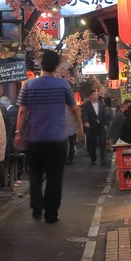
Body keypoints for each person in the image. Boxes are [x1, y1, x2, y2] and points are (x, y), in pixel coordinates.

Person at [15, 50, 84, 223]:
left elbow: (22, 111)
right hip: (57, 139)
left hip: (35, 139)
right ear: (56, 66)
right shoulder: (63, 85)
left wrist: (18, 133)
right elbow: (74, 108)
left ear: (41, 63)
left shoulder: (29, 85)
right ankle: (51, 214)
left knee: (35, 174)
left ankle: (37, 206)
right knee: (54, 176)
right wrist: (80, 128)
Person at [82, 89, 108, 166]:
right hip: (92, 126)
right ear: (90, 96)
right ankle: (93, 158)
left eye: (97, 94)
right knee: (92, 143)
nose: (96, 96)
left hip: (101, 126)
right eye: (94, 94)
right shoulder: (87, 105)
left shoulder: (102, 104)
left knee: (102, 142)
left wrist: (105, 124)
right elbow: (85, 114)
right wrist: (86, 121)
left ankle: (103, 159)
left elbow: (104, 115)